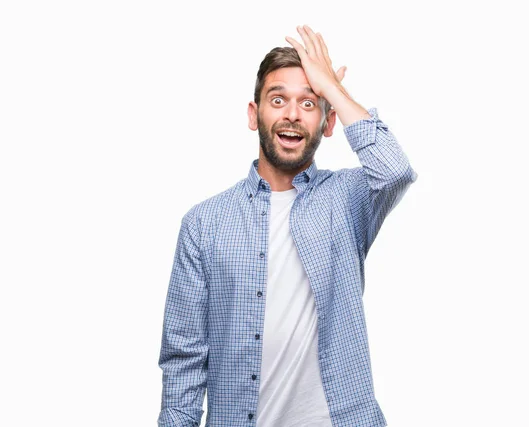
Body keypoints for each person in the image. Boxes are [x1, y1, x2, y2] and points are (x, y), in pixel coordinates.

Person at [157, 24, 418, 427]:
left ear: (327, 123)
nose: (292, 114)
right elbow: (184, 362)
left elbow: (395, 170)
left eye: (309, 104)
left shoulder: (347, 199)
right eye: (278, 100)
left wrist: (332, 89)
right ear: (253, 114)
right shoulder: (204, 224)